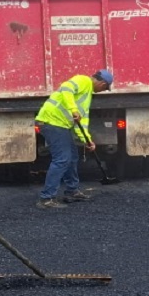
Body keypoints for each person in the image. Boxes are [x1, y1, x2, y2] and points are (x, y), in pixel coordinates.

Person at [35, 70, 113, 209]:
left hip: (60, 125)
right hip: (51, 122)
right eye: (105, 88)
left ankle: (72, 191)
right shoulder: (83, 80)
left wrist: (87, 140)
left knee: (72, 157)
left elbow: (81, 122)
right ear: (102, 83)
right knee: (62, 159)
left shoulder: (87, 95)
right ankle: (46, 199)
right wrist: (73, 109)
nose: (102, 91)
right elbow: (66, 88)